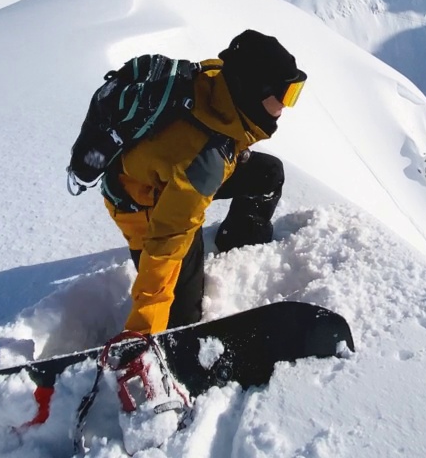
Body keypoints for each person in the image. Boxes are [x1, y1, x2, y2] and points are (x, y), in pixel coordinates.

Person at [101, 30, 307, 335]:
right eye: (285, 96)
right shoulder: (207, 161)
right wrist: (143, 330)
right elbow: (164, 246)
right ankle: (163, 327)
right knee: (181, 316)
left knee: (267, 174)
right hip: (142, 201)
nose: (286, 107)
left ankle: (238, 244)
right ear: (255, 93)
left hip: (179, 173)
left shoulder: (219, 79)